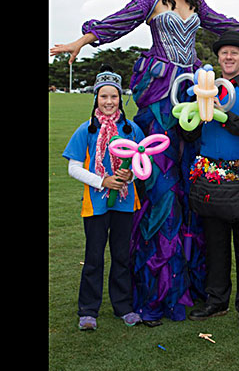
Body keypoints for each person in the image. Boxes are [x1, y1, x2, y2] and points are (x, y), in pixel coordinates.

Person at [51, 0, 239, 324]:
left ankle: (197, 287)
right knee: (160, 188)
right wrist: (81, 41)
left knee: (190, 185)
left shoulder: (197, 1)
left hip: (189, 93)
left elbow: (224, 23)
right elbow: (119, 21)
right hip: (160, 95)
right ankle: (154, 291)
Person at [183, 31, 239, 332]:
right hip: (209, 178)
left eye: (235, 53)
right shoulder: (202, 89)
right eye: (224, 53)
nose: (229, 57)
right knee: (214, 245)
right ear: (218, 59)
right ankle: (216, 300)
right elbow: (189, 134)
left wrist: (223, 116)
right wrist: (193, 116)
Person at [62, 68, 146, 331]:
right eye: (103, 96)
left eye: (114, 97)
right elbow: (73, 167)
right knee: (94, 256)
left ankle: (123, 306)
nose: (109, 102)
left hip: (124, 203)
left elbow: (144, 160)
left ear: (120, 99)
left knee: (122, 255)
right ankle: (88, 310)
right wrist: (102, 181)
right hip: (95, 204)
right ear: (96, 98)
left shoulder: (131, 128)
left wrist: (129, 175)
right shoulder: (86, 129)